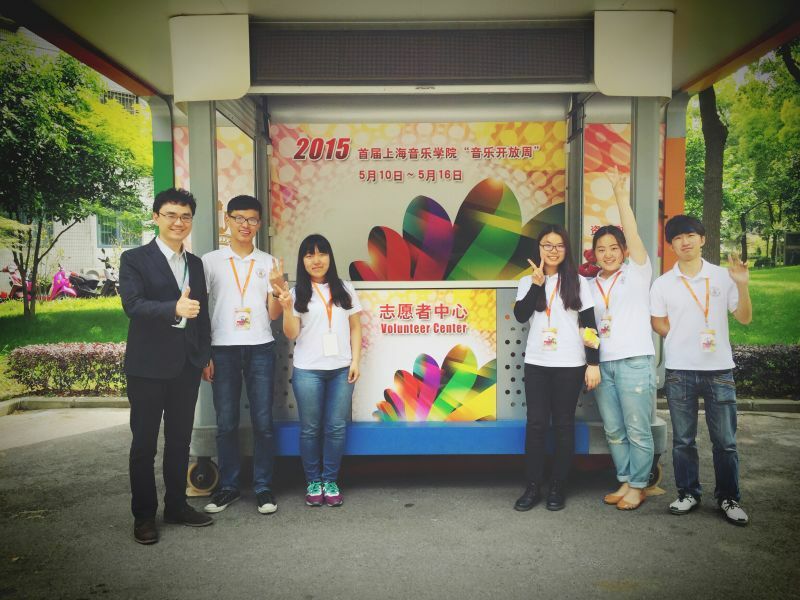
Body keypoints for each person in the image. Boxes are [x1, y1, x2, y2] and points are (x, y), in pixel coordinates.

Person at [120, 188, 213, 545]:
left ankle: (177, 505)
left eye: (185, 216)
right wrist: (173, 308)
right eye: (171, 214)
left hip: (186, 367)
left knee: (179, 441)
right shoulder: (135, 259)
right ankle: (144, 515)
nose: (179, 222)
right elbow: (133, 305)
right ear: (156, 217)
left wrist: (204, 355)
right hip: (146, 367)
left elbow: (202, 315)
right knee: (144, 445)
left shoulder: (196, 264)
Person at [650, 214, 752, 526]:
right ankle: (688, 493)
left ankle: (728, 498)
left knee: (725, 441)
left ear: (702, 239)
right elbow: (658, 321)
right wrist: (681, 337)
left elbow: (744, 317)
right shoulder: (663, 283)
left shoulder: (722, 276)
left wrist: (742, 286)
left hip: (719, 370)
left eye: (691, 235)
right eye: (678, 238)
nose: (685, 242)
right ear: (671, 245)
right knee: (683, 440)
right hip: (680, 370)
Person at [200, 196, 286, 515]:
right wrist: (204, 354)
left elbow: (274, 313)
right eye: (238, 218)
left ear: (259, 224)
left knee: (263, 423)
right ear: (227, 220)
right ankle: (229, 487)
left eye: (251, 220)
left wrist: (277, 288)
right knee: (226, 423)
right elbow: (200, 311)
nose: (245, 225)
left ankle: (263, 486)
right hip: (222, 349)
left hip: (261, 347)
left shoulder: (269, 262)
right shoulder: (210, 262)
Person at [513, 225, 600, 512]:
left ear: (566, 249)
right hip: (537, 363)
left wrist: (593, 363)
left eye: (559, 245)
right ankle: (532, 486)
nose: (553, 250)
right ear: (538, 248)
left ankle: (558, 485)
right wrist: (537, 284)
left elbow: (589, 325)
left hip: (569, 364)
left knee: (563, 424)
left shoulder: (578, 281)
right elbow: (521, 315)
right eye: (547, 245)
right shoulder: (527, 281)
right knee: (536, 424)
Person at [277, 234, 362, 507]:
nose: (316, 260)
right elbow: (291, 333)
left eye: (322, 253)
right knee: (310, 429)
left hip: (341, 370)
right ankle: (313, 481)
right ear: (302, 260)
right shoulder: (296, 294)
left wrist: (356, 361)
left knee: (336, 428)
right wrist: (287, 309)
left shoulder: (345, 289)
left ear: (330, 257)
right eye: (309, 255)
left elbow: (356, 327)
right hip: (308, 371)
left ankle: (330, 480)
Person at [589, 169, 656, 511]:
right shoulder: (590, 285)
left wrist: (620, 196)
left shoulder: (637, 273)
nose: (608, 254)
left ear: (624, 250)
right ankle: (626, 480)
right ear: (594, 254)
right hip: (604, 366)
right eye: (601, 249)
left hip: (634, 362)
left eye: (614, 248)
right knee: (614, 429)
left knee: (637, 428)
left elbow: (632, 232)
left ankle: (640, 485)